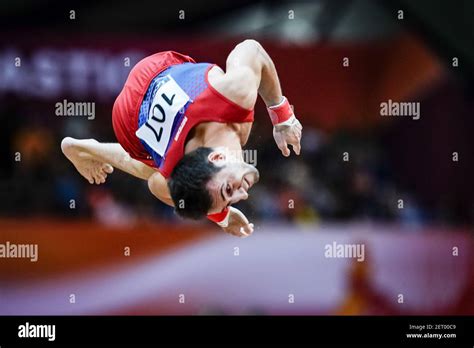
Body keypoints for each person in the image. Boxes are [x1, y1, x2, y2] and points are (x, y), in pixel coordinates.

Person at [61, 39, 302, 237]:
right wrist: (221, 215)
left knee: (155, 173)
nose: (243, 194)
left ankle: (88, 148)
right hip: (144, 108)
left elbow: (252, 49)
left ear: (218, 157)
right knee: (156, 172)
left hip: (135, 108)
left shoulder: (233, 93)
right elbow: (157, 186)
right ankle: (84, 147)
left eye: (230, 190)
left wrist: (283, 116)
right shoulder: (179, 167)